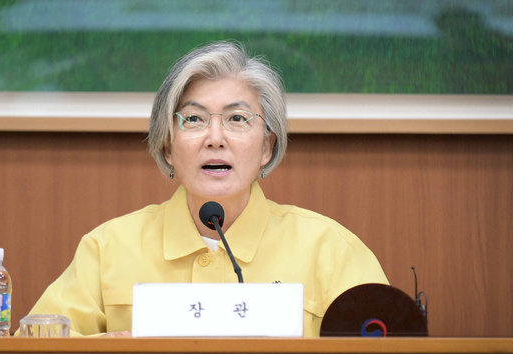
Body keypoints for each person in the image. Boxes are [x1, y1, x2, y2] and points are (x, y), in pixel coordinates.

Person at [24, 41, 389, 337]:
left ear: (266, 147)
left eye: (237, 118)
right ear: (168, 146)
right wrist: (110, 353)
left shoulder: (330, 250)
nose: (215, 138)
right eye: (194, 119)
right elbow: (35, 349)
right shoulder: (108, 248)